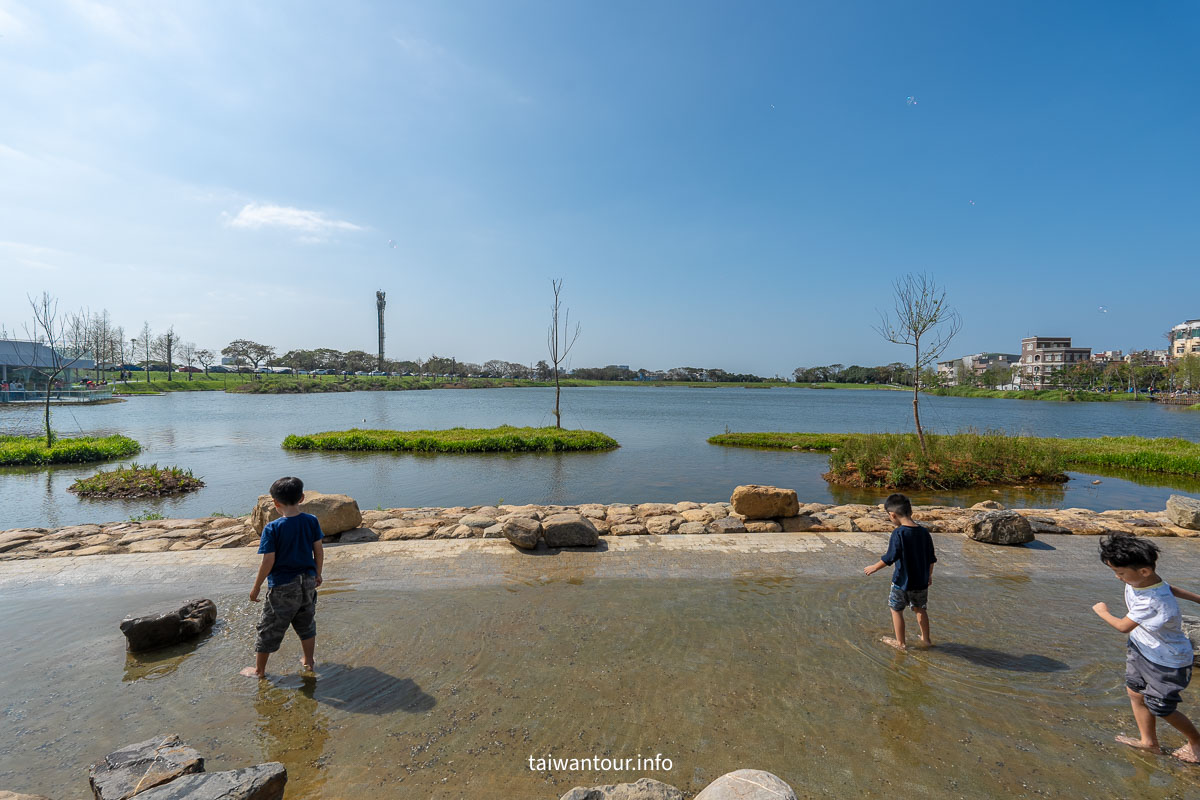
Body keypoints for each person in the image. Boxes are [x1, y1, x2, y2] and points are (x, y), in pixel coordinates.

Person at [1093, 532, 1200, 763]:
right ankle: (1148, 742)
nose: (1117, 577)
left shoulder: (1150, 600)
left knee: (1162, 708)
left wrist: (1102, 611)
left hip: (1167, 661)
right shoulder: (1147, 580)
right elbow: (1171, 588)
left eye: (1120, 573)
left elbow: (1123, 625)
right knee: (1135, 691)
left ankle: (1196, 742)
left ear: (1144, 571)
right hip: (1141, 647)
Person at [241, 476, 324, 679]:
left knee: (269, 626)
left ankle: (259, 670)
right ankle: (309, 662)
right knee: (306, 623)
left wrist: (256, 587)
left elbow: (268, 561)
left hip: (283, 586)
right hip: (307, 581)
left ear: (276, 503)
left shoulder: (273, 528)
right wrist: (318, 573)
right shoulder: (311, 521)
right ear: (302, 498)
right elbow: (318, 551)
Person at [863, 493, 936, 650]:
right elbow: (931, 558)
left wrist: (874, 567)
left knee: (896, 610)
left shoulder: (899, 533)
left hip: (901, 582)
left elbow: (891, 557)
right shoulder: (924, 532)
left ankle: (901, 643)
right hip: (921, 582)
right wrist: (929, 575)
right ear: (910, 511)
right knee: (920, 609)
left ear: (893, 515)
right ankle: (926, 639)